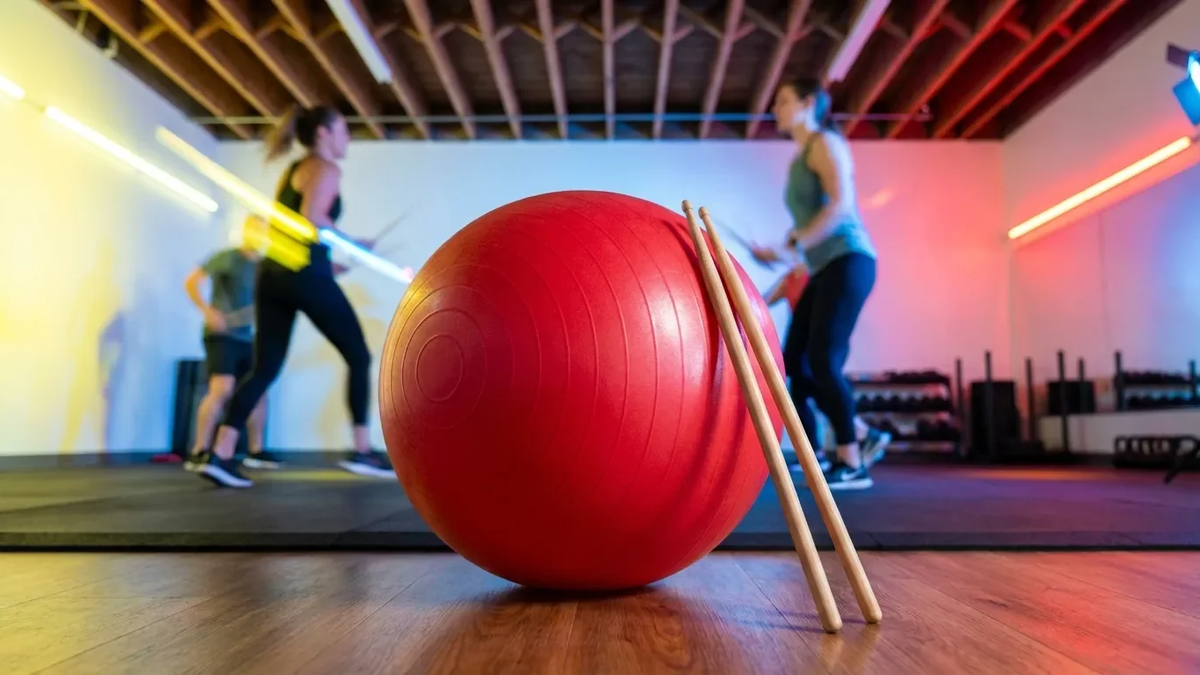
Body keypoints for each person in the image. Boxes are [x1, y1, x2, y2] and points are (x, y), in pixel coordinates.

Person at [198, 105, 394, 488]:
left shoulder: (295, 169)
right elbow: (313, 218)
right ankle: (361, 450)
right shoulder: (327, 168)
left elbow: (293, 232)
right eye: (343, 130)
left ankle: (220, 454)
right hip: (303, 274)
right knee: (359, 355)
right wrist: (353, 245)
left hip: (275, 274)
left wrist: (329, 265)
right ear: (323, 132)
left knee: (265, 367)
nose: (347, 138)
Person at [750, 77, 879, 491]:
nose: (776, 107)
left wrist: (791, 245)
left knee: (823, 360)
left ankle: (852, 459)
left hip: (850, 260)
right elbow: (807, 225)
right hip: (823, 267)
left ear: (809, 103)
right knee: (796, 365)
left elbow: (841, 208)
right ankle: (824, 454)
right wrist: (782, 248)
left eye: (784, 100)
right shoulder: (799, 157)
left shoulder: (826, 143)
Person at [762, 263, 891, 474]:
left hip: (820, 338)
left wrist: (771, 252)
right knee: (799, 392)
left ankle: (858, 435)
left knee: (819, 383)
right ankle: (818, 452)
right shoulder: (790, 280)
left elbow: (786, 252)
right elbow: (763, 299)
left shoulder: (811, 270)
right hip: (805, 340)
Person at [183, 215, 278, 471]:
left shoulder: (266, 267)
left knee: (259, 392)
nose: (257, 235)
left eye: (262, 231)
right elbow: (192, 281)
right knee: (222, 389)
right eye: (253, 230)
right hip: (222, 336)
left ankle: (256, 452)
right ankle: (199, 450)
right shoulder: (227, 257)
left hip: (248, 337)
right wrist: (208, 311)